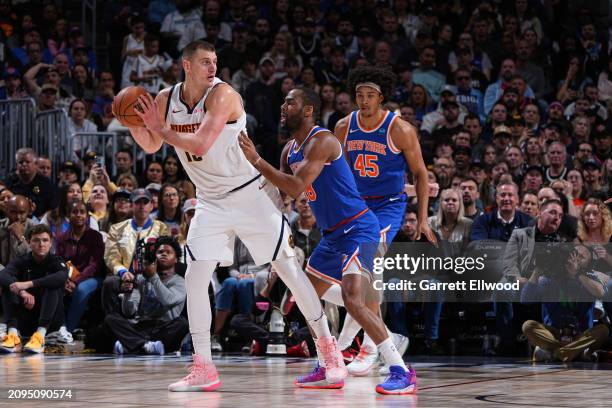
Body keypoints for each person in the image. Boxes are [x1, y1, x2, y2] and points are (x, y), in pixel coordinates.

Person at [130, 41, 340, 392]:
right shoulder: (167, 99)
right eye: (204, 62)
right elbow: (152, 144)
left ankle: (329, 353)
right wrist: (139, 123)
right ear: (186, 65)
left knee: (287, 270)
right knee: (196, 279)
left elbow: (199, 144)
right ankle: (203, 367)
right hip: (209, 201)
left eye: (215, 62)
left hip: (250, 194)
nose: (212, 68)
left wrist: (160, 129)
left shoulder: (223, 95)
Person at [238, 86, 417, 395]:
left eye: (290, 102)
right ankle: (329, 364)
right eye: (283, 101)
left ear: (308, 110)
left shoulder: (323, 141)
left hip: (359, 228)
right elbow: (282, 196)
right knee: (304, 296)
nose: (283, 106)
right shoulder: (288, 150)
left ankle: (400, 369)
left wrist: (255, 160)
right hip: (332, 234)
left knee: (352, 300)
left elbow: (295, 187)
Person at [333, 66, 435, 376]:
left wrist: (423, 218)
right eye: (359, 96)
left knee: (367, 270)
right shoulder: (342, 127)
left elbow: (420, 174)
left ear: (382, 98)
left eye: (370, 96)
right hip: (357, 206)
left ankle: (367, 346)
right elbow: (342, 172)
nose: (363, 101)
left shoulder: (399, 129)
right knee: (347, 277)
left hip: (388, 207)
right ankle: (385, 338)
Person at [103, 236, 189, 355]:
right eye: (160, 252)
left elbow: (168, 300)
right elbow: (129, 311)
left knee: (182, 323)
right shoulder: (142, 279)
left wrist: (153, 277)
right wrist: (128, 294)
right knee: (111, 319)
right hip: (141, 326)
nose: (163, 254)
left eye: (168, 252)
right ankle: (145, 346)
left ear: (176, 259)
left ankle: (131, 346)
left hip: (164, 328)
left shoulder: (180, 281)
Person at [0, 224, 68, 354]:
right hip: (27, 315)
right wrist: (21, 291)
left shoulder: (56, 260)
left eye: (45, 240)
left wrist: (29, 284)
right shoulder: (22, 260)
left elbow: (62, 277)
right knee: (10, 286)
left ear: (51, 243)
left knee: (52, 286)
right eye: (36, 240)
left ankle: (40, 337)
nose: (41, 244)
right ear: (29, 243)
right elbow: (3, 275)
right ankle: (13, 335)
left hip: (50, 321)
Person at [56, 201, 104, 332]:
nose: (78, 215)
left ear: (87, 216)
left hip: (93, 278)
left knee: (82, 289)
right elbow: (60, 263)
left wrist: (76, 281)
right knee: (53, 285)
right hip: (69, 278)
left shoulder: (95, 236)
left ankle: (68, 330)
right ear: (68, 215)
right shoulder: (61, 238)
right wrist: (66, 280)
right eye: (74, 212)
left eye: (82, 212)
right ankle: (54, 328)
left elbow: (94, 266)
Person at [5, 148, 58, 218]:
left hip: (39, 224)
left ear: (35, 164)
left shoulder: (47, 184)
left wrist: (39, 222)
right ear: (16, 165)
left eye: (27, 162)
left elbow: (53, 209)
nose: (24, 164)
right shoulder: (9, 182)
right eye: (20, 162)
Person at [0, 195, 37, 267]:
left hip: (27, 272)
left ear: (28, 212)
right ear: (6, 210)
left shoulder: (35, 228)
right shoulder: (1, 226)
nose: (18, 217)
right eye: (13, 212)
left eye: (22, 212)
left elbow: (36, 257)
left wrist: (20, 238)